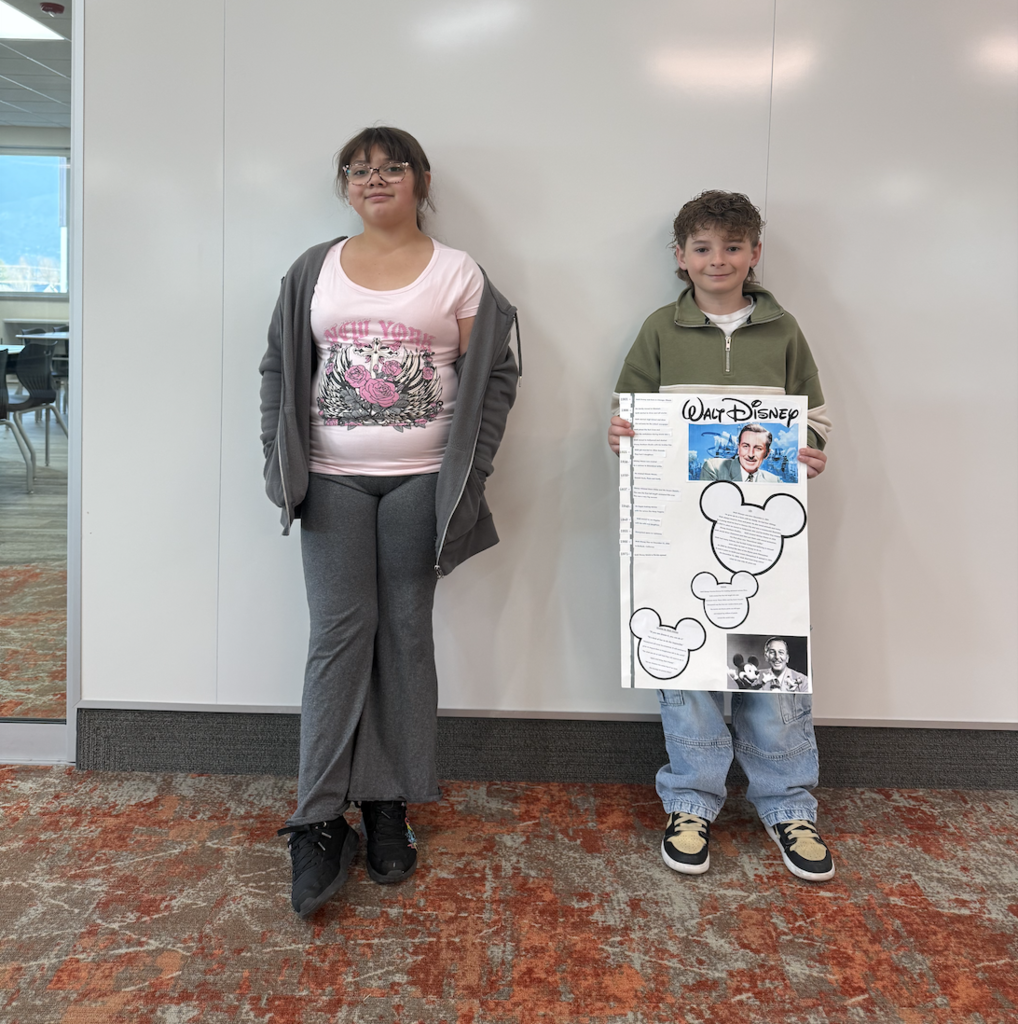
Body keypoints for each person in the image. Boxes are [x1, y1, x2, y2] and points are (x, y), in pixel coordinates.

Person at [259, 126, 519, 917]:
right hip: (332, 484)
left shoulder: (458, 273)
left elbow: (495, 376)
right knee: (339, 639)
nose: (375, 180)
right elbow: (278, 366)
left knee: (403, 636)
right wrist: (277, 459)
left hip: (419, 486)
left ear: (421, 180)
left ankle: (387, 805)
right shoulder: (314, 270)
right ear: (345, 186)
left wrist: (466, 478)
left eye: (391, 168)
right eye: (360, 170)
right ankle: (317, 815)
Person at [608, 190, 835, 883]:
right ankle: (691, 800)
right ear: (680, 258)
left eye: (733, 246)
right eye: (703, 247)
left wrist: (810, 450)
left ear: (754, 255)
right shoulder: (658, 328)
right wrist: (624, 437)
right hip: (678, 543)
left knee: (768, 673)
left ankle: (788, 804)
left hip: (761, 544)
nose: (718, 259)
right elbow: (627, 413)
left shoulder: (783, 330)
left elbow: (816, 419)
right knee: (688, 668)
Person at [700, 423, 779, 482]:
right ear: (738, 449)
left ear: (767, 453)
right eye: (745, 446)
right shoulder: (714, 469)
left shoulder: (774, 481)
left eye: (758, 448)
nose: (750, 454)